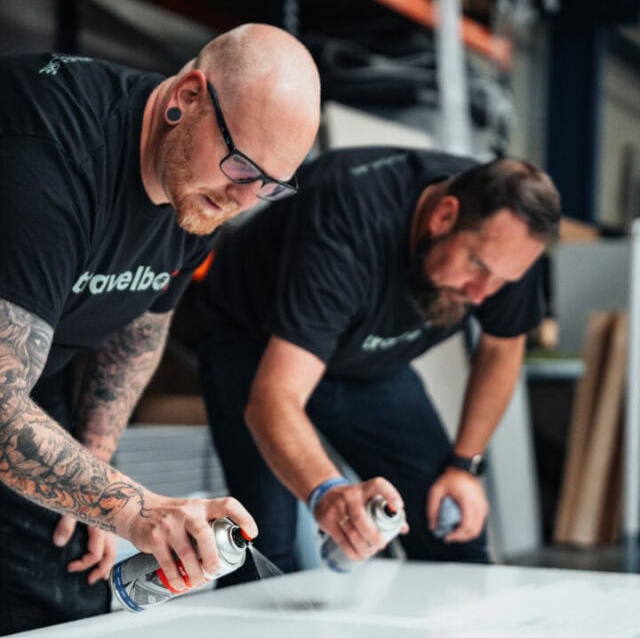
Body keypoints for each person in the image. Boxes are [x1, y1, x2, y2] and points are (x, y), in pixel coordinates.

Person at [0, 24, 321, 635]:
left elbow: (143, 323)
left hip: (32, 363)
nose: (243, 199)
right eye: (242, 166)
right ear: (190, 97)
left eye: (270, 185)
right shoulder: (47, 156)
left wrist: (97, 461)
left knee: (67, 586)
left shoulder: (202, 181)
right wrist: (138, 508)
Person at [197, 146, 561, 573]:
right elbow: (273, 399)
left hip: (368, 360)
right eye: (477, 268)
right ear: (443, 216)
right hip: (252, 341)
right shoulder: (348, 217)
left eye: (501, 281)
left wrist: (465, 465)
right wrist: (328, 493)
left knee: (450, 523)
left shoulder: (506, 245)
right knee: (263, 541)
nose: (482, 295)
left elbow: (502, 348)